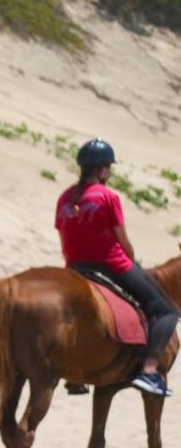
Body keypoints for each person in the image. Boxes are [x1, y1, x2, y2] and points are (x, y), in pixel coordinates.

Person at [56, 138, 178, 396]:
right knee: (165, 310)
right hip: (110, 265)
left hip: (74, 266)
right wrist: (133, 262)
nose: (109, 172)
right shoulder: (108, 196)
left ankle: (74, 373)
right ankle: (149, 371)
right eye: (108, 168)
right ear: (101, 170)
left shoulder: (65, 198)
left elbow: (64, 236)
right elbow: (123, 243)